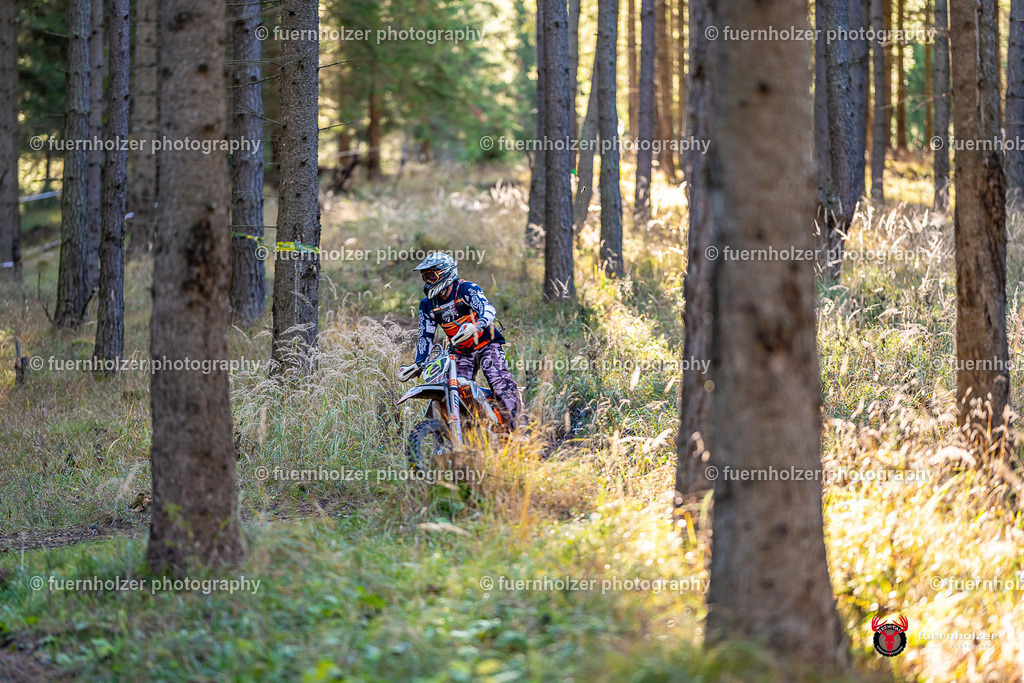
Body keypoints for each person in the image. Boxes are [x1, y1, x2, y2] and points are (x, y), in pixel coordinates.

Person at [398, 252, 521, 428]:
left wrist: (477, 325)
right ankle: (472, 432)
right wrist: (418, 364)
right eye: (425, 277)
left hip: (487, 344)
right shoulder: (427, 305)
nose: (428, 281)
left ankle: (520, 432)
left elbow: (488, 308)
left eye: (432, 275)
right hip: (461, 351)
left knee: (499, 383)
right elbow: (425, 336)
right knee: (455, 390)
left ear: (446, 273)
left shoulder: (466, 289)